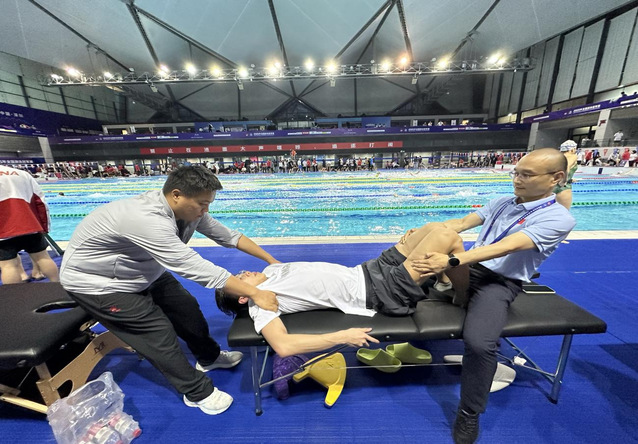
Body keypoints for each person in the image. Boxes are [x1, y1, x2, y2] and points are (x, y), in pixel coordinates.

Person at [59, 166, 280, 416]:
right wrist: (255, 293)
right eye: (202, 204)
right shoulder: (147, 220)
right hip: (99, 284)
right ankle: (197, 393)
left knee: (186, 307)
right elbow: (194, 267)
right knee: (158, 333)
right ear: (177, 195)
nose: (205, 210)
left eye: (208, 204)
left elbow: (230, 237)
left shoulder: (190, 211)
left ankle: (209, 357)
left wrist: (272, 261)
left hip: (141, 271)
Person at [405, 148, 575, 444]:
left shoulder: (558, 218)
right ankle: (452, 290)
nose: (517, 179)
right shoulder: (502, 202)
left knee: (480, 344)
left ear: (556, 178)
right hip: (466, 268)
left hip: (499, 282)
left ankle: (469, 412)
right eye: (516, 173)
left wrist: (452, 261)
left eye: (527, 175)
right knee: (409, 271)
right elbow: (460, 224)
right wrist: (424, 232)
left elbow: (506, 247)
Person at [215, 222, 470, 357]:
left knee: (436, 228)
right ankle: (462, 295)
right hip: (379, 292)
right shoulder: (261, 304)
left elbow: (254, 252)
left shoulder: (270, 270)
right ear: (242, 298)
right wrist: (341, 337)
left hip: (369, 269)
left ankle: (444, 281)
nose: (244, 272)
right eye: (240, 278)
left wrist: (271, 261)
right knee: (448, 238)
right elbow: (283, 346)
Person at [0, 164, 59, 284]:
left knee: (8, 266)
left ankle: (14, 294)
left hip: (4, 229)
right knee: (43, 257)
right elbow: (40, 201)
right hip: (30, 224)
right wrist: (44, 226)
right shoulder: (22, 174)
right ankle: (58, 286)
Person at [554, 140, 578, 209]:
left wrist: (570, 179)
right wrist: (564, 181)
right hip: (562, 188)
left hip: (551, 186)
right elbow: (566, 166)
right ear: (572, 149)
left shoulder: (557, 157)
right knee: (563, 212)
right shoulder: (572, 156)